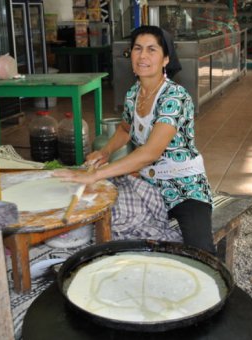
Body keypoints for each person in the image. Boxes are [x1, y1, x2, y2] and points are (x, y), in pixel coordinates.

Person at [53, 25, 215, 254]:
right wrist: (105, 152)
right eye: (137, 49)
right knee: (112, 225)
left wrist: (97, 174)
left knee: (201, 251)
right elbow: (125, 128)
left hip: (184, 186)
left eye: (152, 50)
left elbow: (150, 153)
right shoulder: (133, 93)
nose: (143, 56)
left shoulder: (175, 97)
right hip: (148, 183)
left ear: (166, 59)